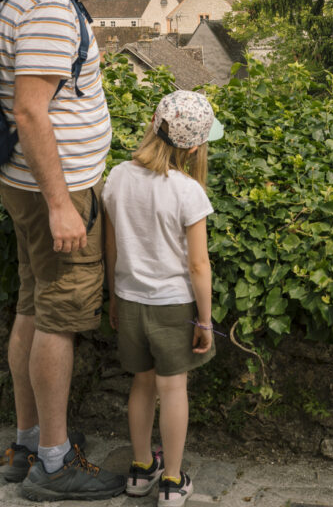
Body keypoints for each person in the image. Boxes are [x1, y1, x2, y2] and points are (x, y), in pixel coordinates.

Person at [0, 0, 159, 501]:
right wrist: (64, 205)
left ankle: (29, 440)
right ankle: (54, 464)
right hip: (54, 193)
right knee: (59, 317)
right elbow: (31, 111)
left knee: (34, 305)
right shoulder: (51, 13)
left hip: (28, 184)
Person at [102, 90, 222, 505]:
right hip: (173, 305)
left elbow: (112, 246)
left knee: (141, 385)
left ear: (154, 122)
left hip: (130, 298)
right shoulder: (188, 192)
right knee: (173, 390)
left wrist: (115, 298)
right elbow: (198, 266)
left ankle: (139, 470)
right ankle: (172, 481)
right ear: (194, 147)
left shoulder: (116, 176)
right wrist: (204, 321)